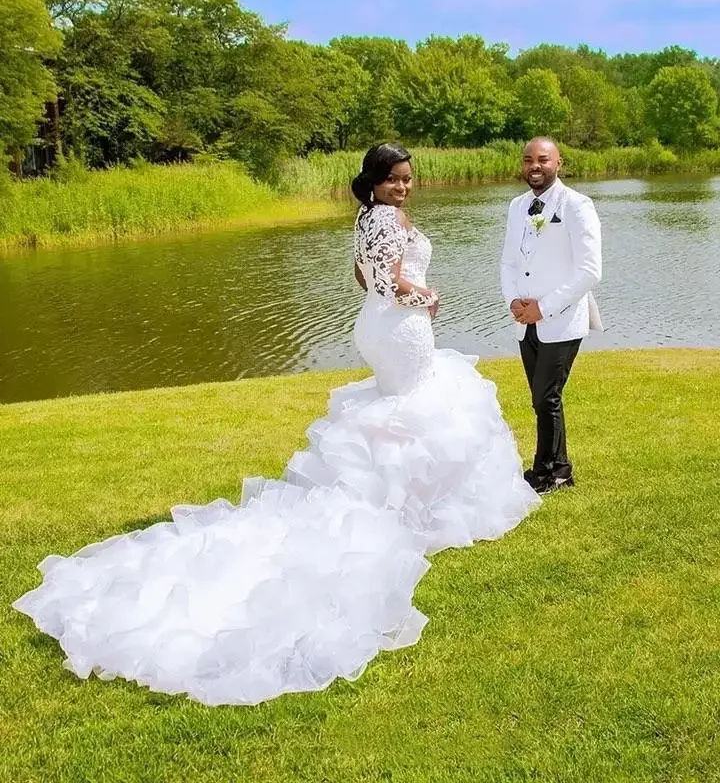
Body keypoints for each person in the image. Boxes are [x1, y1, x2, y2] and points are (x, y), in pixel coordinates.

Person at [13, 143, 539, 707]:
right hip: (400, 329)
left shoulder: (368, 216)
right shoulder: (384, 217)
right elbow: (387, 284)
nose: (403, 188)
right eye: (393, 180)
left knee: (407, 411)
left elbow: (362, 278)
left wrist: (405, 298)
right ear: (375, 181)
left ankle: (408, 503)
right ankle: (409, 511)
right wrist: (429, 297)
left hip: (381, 328)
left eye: (408, 180)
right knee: (418, 408)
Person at [501, 137, 602, 494]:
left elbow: (590, 271)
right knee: (544, 398)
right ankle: (558, 469)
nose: (534, 166)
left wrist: (542, 308)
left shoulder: (577, 205)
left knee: (545, 397)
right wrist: (513, 300)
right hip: (524, 322)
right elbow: (509, 261)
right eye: (528, 159)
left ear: (558, 163)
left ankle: (545, 473)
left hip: (560, 320)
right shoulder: (516, 206)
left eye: (543, 159)